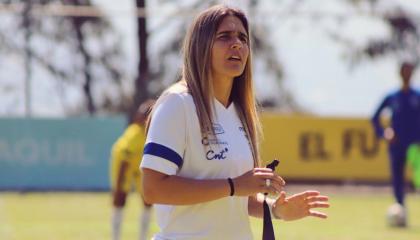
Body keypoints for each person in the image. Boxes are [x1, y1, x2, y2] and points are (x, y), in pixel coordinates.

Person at [140, 5, 330, 239]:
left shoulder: (241, 111)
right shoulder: (177, 103)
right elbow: (153, 188)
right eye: (224, 36)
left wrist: (275, 209)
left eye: (242, 37)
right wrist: (233, 185)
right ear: (201, 46)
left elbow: (242, 198)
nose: (237, 44)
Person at [371, 61, 420, 226]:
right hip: (397, 145)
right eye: (404, 70)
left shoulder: (417, 96)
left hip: (415, 146)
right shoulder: (392, 96)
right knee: (398, 181)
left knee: (418, 179)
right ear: (400, 73)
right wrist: (385, 133)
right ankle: (401, 214)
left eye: (409, 70)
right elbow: (375, 117)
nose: (407, 73)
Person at [110, 99, 155, 240]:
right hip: (126, 165)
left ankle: (143, 237)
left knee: (148, 200)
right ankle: (115, 237)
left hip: (141, 165)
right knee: (120, 200)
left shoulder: (154, 133)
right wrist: (119, 186)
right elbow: (124, 160)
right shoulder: (134, 134)